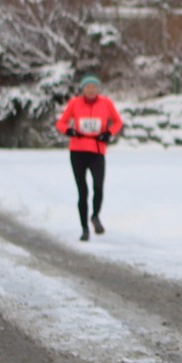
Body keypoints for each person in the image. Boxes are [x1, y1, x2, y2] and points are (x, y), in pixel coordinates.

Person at [54, 75, 122, 242]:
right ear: (83, 89)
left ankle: (95, 216)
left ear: (98, 89)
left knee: (98, 187)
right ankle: (84, 228)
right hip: (78, 152)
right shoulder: (74, 103)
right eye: (88, 87)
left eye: (94, 87)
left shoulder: (106, 103)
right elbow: (61, 123)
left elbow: (118, 122)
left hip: (97, 151)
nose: (91, 90)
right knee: (82, 191)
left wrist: (108, 133)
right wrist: (69, 131)